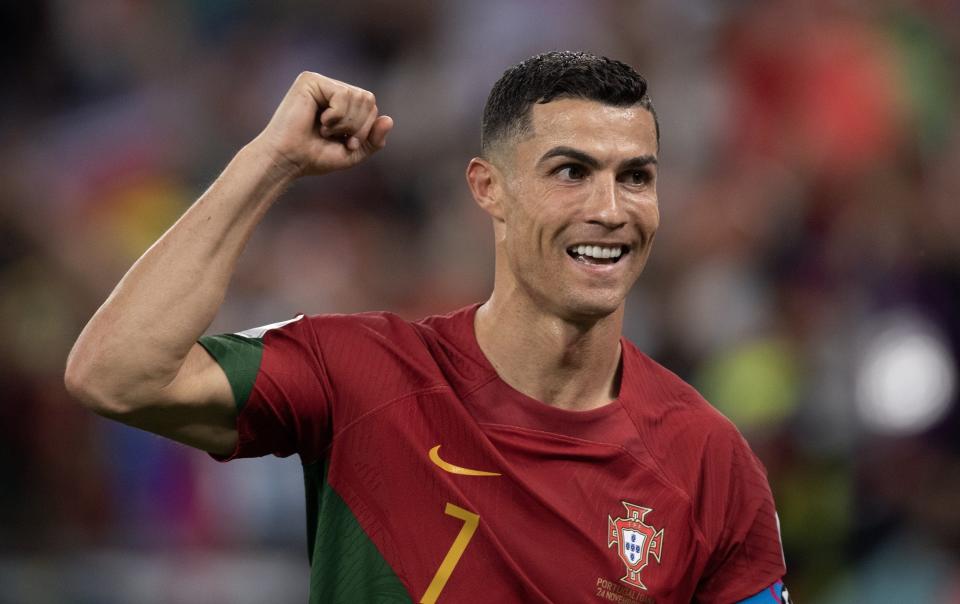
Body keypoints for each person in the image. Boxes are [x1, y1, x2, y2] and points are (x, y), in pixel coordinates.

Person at [65, 51, 789, 603]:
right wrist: (269, 161)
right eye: (570, 172)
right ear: (488, 189)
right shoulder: (361, 373)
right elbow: (116, 374)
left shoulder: (709, 461)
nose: (610, 208)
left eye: (636, 176)